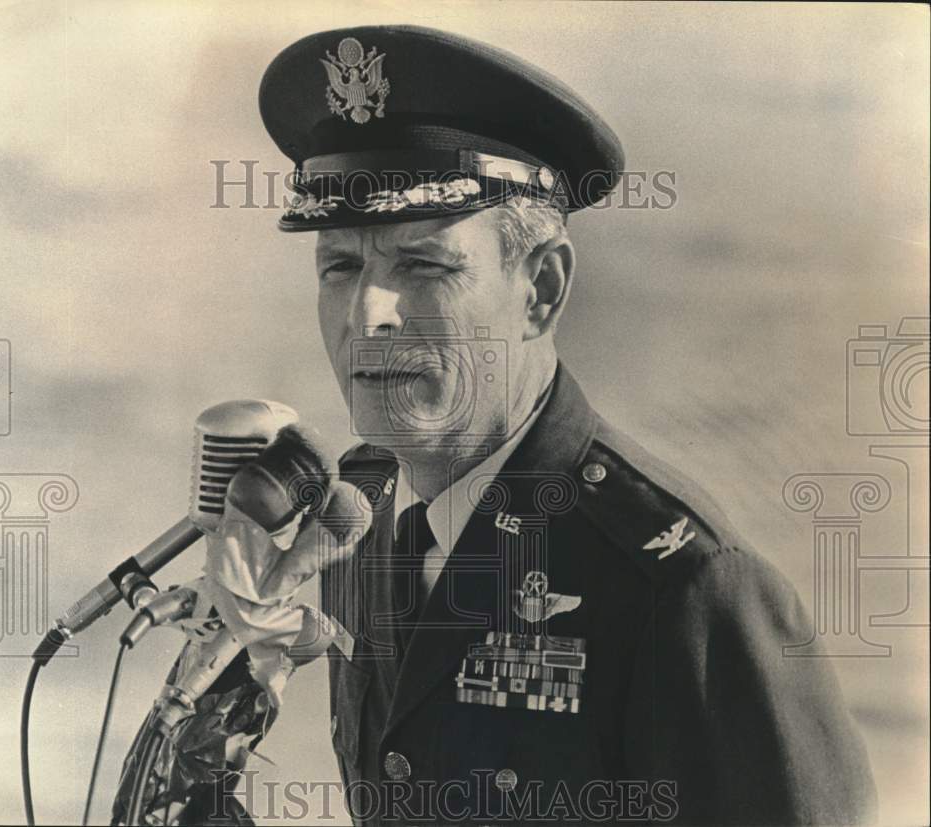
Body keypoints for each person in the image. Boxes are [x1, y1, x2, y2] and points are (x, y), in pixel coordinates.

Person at [165, 23, 876, 827]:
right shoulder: (354, 519)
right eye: (341, 266)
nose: (368, 314)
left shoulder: (682, 586)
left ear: (540, 288)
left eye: (423, 265)